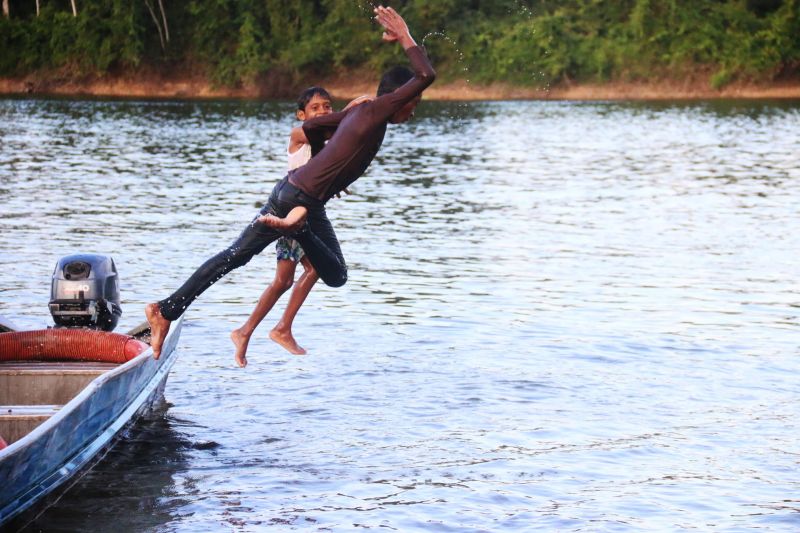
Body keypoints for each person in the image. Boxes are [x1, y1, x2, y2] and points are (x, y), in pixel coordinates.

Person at [146, 6, 435, 359]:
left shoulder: (362, 111)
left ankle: (165, 310)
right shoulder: (375, 111)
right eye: (413, 102)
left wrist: (327, 168)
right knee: (336, 274)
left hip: (290, 191)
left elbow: (311, 128)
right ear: (399, 97)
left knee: (234, 256)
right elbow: (425, 74)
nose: (413, 110)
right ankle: (295, 228)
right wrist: (405, 36)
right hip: (303, 202)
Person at [230, 88, 371, 367]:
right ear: (302, 114)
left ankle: (247, 332)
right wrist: (356, 105)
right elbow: (335, 131)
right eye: (316, 108)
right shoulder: (298, 135)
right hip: (293, 213)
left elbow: (327, 159)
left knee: (290, 278)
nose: (323, 112)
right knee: (304, 272)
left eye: (327, 106)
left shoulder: (329, 145)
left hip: (305, 214)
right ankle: (274, 329)